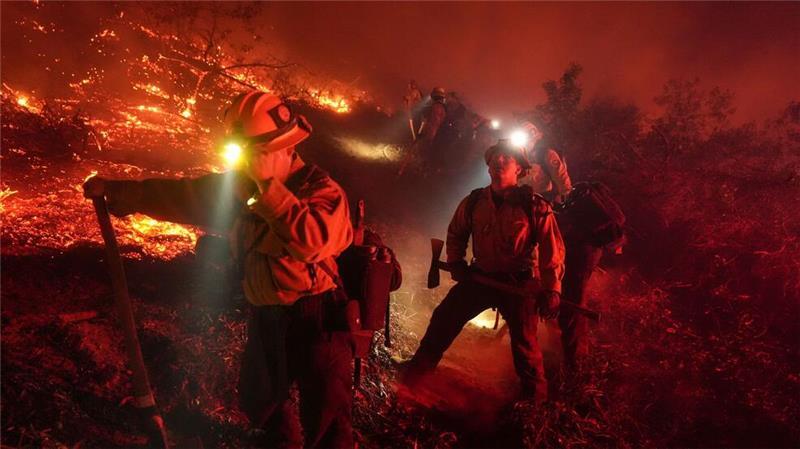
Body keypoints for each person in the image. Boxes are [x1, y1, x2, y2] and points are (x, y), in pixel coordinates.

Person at [83, 91, 355, 448]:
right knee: (261, 400)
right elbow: (183, 196)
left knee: (327, 422)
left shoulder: (323, 191)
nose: (245, 165)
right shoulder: (243, 187)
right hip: (267, 313)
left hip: (316, 316)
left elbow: (312, 241)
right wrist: (120, 192)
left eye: (254, 155)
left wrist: (270, 191)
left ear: (285, 148)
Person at [402, 139, 566, 403]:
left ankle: (535, 405)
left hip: (518, 284)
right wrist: (456, 262)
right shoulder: (475, 201)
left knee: (525, 346)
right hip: (480, 277)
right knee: (444, 318)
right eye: (495, 158)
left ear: (519, 170)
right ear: (488, 167)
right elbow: (456, 233)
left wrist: (552, 289)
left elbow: (552, 253)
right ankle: (414, 378)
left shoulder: (535, 207)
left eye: (507, 159)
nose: (499, 161)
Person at [518, 121, 572, 204]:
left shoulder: (546, 154)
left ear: (534, 136)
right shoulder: (516, 157)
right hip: (521, 201)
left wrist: (566, 196)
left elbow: (561, 176)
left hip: (543, 201)